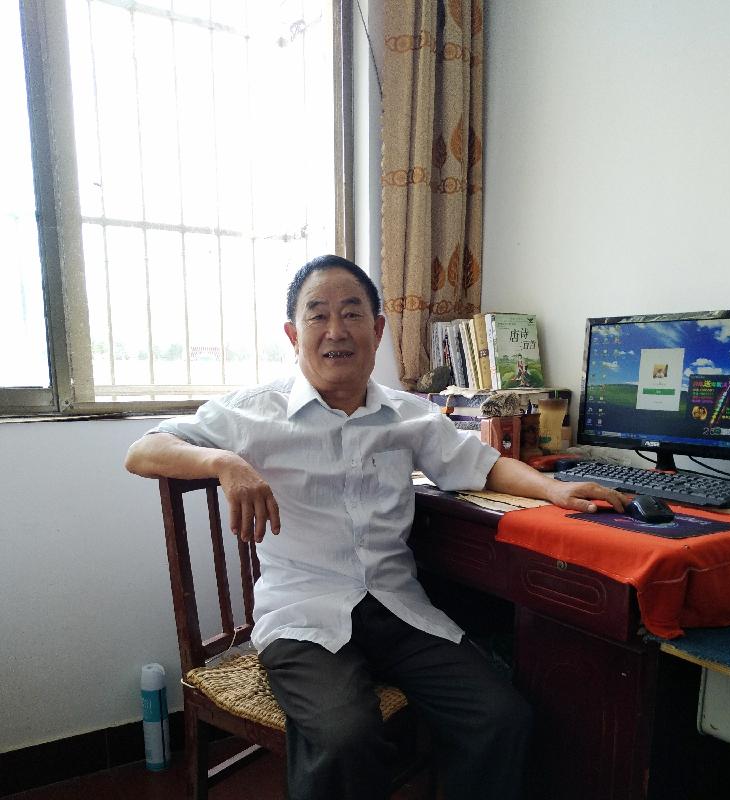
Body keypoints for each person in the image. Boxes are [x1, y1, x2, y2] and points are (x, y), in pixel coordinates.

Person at [125, 255, 625, 800]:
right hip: (302, 615)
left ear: (378, 328)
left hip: (396, 605)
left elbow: (481, 465)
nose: (336, 330)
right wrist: (224, 462)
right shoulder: (253, 412)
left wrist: (553, 489)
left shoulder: (410, 415)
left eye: (352, 313)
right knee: (343, 738)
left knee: (501, 717)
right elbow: (143, 450)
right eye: (317, 315)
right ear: (293, 335)